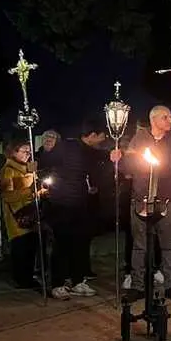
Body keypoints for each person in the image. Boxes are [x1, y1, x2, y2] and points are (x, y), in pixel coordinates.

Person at [111, 105, 171, 302]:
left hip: (169, 201)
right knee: (140, 246)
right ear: (153, 119)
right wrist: (118, 161)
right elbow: (129, 167)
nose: (170, 120)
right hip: (142, 200)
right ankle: (138, 285)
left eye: (170, 117)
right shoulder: (140, 139)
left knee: (170, 245)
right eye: (165, 117)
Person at [42, 122, 107, 298]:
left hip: (80, 202)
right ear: (92, 135)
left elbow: (100, 156)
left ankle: (77, 280)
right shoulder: (67, 147)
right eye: (101, 136)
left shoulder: (88, 151)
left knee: (80, 243)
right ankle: (58, 283)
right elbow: (46, 161)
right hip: (62, 203)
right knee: (62, 244)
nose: (102, 140)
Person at [0, 137, 49, 291]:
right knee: (21, 249)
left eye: (29, 151)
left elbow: (34, 192)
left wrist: (41, 192)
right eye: (24, 151)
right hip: (17, 217)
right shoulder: (8, 171)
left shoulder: (29, 169)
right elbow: (8, 196)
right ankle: (21, 279)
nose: (28, 154)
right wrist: (31, 191)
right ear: (14, 152)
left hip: (31, 214)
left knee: (31, 248)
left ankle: (28, 276)